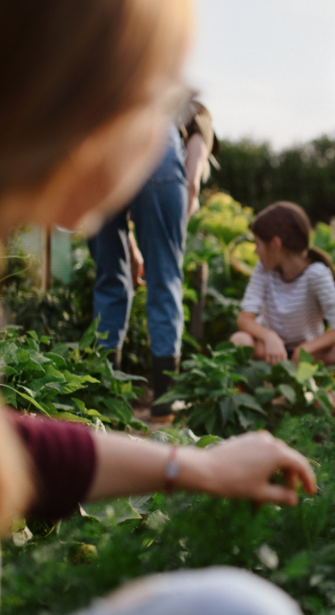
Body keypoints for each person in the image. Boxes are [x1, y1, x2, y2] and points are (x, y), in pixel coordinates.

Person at [0, 2, 313, 615]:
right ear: (77, 109)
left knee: (235, 609)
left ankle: (143, 383)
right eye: (160, 92)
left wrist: (193, 465)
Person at [88, 99, 218, 423]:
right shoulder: (186, 109)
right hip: (157, 148)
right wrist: (192, 184)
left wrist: (128, 245)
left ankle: (105, 396)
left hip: (99, 150)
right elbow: (194, 167)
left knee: (110, 280)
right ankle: (164, 401)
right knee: (165, 280)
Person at [231, 202, 335, 374]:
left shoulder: (316, 274)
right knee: (239, 341)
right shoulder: (264, 269)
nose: (255, 251)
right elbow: (244, 319)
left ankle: (315, 386)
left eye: (258, 244)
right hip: (271, 353)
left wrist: (305, 349)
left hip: (307, 357)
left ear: (275, 244)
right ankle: (265, 386)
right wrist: (269, 336)